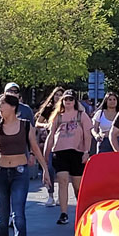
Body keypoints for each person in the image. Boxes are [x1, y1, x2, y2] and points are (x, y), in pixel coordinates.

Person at [0, 93, 51, 236]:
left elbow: (35, 148)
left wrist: (45, 169)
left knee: (18, 213)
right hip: (0, 171)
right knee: (2, 213)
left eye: (3, 105)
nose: (0, 108)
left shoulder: (26, 125)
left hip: (20, 171)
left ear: (13, 107)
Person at [43, 90, 92, 226]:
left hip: (77, 152)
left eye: (71, 99)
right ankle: (63, 213)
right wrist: (45, 155)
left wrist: (86, 152)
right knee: (62, 181)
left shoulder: (81, 116)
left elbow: (87, 135)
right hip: (60, 152)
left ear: (75, 101)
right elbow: (51, 136)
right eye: (66, 99)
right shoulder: (58, 116)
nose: (68, 101)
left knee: (77, 186)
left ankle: (82, 211)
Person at [33, 87, 63, 207]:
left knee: (62, 171)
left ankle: (62, 196)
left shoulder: (66, 108)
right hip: (50, 141)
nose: (58, 97)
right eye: (56, 95)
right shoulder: (48, 108)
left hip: (63, 141)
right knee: (49, 167)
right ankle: (50, 195)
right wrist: (46, 125)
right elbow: (37, 123)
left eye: (61, 95)